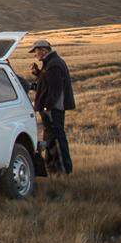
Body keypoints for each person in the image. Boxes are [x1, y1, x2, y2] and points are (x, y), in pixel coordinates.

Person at [29, 39, 75, 174]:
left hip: (53, 109)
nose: (35, 55)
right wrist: (38, 73)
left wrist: (46, 108)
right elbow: (47, 82)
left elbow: (55, 90)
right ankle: (53, 168)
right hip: (52, 108)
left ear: (44, 51)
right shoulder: (50, 63)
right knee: (51, 138)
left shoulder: (54, 64)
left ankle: (65, 170)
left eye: (36, 52)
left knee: (57, 138)